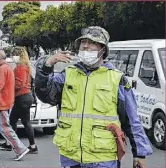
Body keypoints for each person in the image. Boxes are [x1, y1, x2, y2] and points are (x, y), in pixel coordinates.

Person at [34, 26, 153, 168]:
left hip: (102, 159)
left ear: (103, 49)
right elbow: (46, 96)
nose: (85, 46)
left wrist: (139, 153)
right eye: (83, 42)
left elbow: (132, 120)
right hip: (71, 157)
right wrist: (47, 67)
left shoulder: (117, 79)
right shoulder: (68, 75)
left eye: (91, 43)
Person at [0, 50, 29, 161]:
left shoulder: (2, 69)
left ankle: (20, 149)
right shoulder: (7, 68)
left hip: (1, 103)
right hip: (3, 102)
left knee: (4, 128)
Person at [0, 47, 38, 153]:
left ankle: (11, 144)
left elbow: (19, 84)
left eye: (13, 55)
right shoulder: (26, 66)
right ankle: (32, 145)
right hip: (27, 97)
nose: (12, 58)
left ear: (18, 56)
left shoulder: (20, 67)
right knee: (25, 122)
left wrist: (9, 85)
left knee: (12, 121)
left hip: (21, 97)